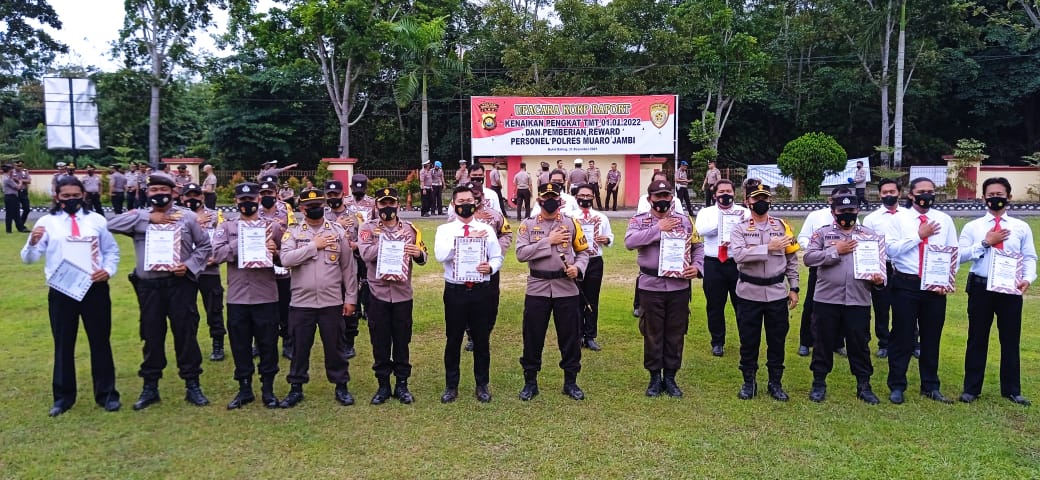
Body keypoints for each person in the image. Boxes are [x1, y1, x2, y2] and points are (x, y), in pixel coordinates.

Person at [108, 173, 213, 410]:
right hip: (149, 288)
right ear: (147, 193)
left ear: (173, 192)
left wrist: (188, 266)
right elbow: (110, 224)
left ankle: (192, 384)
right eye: (154, 190)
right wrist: (148, 218)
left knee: (185, 334)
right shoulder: (138, 217)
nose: (158, 194)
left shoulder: (187, 217)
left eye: (163, 189)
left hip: (179, 285)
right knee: (151, 335)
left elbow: (204, 246)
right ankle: (150, 387)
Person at [21, 176, 121, 416]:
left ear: (83, 195)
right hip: (62, 289)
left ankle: (107, 394)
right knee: (63, 343)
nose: (71, 199)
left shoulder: (96, 220)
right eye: (66, 196)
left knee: (100, 341)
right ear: (57, 196)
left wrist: (107, 271)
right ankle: (63, 397)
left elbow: (111, 251)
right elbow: (29, 259)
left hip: (94, 287)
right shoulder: (47, 222)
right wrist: (32, 243)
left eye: (76, 195)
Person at [957, 177, 1036, 406]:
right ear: (983, 197)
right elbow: (959, 256)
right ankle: (971, 389)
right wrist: (985, 242)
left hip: (1010, 289)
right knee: (977, 338)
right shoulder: (973, 227)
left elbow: (1029, 257)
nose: (995, 199)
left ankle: (1012, 390)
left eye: (999, 195)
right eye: (990, 195)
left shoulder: (1021, 227)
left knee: (1010, 339)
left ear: (1009, 197)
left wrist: (1027, 278)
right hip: (981, 287)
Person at [278, 188, 358, 408]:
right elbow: (286, 259)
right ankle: (296, 387)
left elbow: (348, 268)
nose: (315, 209)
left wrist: (351, 297)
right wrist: (314, 246)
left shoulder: (337, 231)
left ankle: (341, 386)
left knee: (335, 347)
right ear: (302, 209)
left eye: (318, 205)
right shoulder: (293, 232)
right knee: (299, 348)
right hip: (301, 302)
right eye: (310, 206)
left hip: (331, 301)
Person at [803, 193, 884, 404]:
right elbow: (808, 258)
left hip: (858, 299)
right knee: (822, 342)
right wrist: (835, 251)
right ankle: (819, 383)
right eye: (842, 211)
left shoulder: (869, 236)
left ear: (858, 211)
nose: (847, 214)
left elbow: (880, 269)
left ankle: (864, 385)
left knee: (860, 343)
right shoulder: (823, 234)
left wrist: (878, 280)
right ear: (833, 212)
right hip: (827, 299)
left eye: (851, 210)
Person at [884, 176, 959, 404]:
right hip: (906, 283)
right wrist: (919, 236)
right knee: (902, 336)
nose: (927, 195)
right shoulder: (899, 219)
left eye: (931, 191)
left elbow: (953, 252)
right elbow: (890, 250)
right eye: (921, 192)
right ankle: (897, 385)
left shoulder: (944, 220)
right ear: (911, 195)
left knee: (931, 336)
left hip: (935, 287)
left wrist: (946, 281)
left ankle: (931, 386)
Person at [625, 180, 703, 397]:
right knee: (652, 332)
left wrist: (698, 267)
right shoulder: (639, 221)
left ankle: (670, 377)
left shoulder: (685, 221)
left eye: (666, 196)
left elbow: (698, 247)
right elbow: (630, 242)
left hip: (679, 286)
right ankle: (654, 377)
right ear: (649, 199)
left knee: (676, 332)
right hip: (651, 285)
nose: (662, 200)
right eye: (658, 196)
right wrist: (657, 229)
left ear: (672, 198)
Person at [211, 182, 284, 409]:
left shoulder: (273, 227)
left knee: (268, 344)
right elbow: (217, 254)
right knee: (240, 345)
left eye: (251, 199)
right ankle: (244, 389)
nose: (247, 203)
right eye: (242, 200)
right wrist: (243, 239)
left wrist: (275, 252)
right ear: (236, 201)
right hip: (238, 297)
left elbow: (286, 258)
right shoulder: (227, 227)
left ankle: (268, 390)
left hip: (266, 295)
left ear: (258, 200)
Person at [515, 182, 591, 401]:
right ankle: (530, 382)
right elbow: (521, 254)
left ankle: (570, 382)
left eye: (554, 197)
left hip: (566, 288)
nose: (550, 201)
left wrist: (578, 268)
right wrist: (549, 241)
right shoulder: (528, 225)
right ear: (539, 200)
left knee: (570, 337)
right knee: (533, 336)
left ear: (560, 200)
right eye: (546, 197)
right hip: (537, 287)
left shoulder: (571, 223)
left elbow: (584, 252)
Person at [729, 180, 799, 401]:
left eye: (764, 198)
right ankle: (749, 382)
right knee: (748, 341)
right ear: (747, 202)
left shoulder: (782, 227)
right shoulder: (739, 228)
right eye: (756, 198)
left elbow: (791, 259)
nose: (761, 202)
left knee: (777, 341)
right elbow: (738, 255)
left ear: (770, 201)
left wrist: (794, 287)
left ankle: (775, 383)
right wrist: (767, 247)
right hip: (749, 293)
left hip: (777, 293)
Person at [357, 187, 428, 404]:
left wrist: (418, 253)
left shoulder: (410, 229)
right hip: (377, 294)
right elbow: (365, 254)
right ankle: (383, 385)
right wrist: (389, 242)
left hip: (402, 294)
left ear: (397, 204)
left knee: (402, 340)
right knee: (379, 341)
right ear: (376, 205)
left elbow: (423, 256)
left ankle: (402, 384)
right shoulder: (367, 228)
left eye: (391, 203)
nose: (387, 207)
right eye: (383, 203)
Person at [435, 185, 504, 403]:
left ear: (475, 203)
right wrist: (466, 240)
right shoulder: (445, 230)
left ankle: (482, 385)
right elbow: (440, 255)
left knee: (482, 339)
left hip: (481, 291)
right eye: (461, 202)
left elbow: (497, 257)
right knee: (453, 339)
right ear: (453, 204)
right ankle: (451, 386)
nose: (466, 205)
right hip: (455, 291)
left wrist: (490, 267)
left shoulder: (487, 229)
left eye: (469, 201)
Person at [448, 182, 512, 352]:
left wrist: (494, 253)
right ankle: (470, 336)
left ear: (481, 196)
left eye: (476, 196)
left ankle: (485, 333)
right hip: (464, 267)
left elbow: (506, 233)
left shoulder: (495, 215)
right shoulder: (455, 217)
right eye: (470, 196)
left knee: (491, 301)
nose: (472, 200)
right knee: (465, 303)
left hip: (488, 266)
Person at [795, 187, 853, 358]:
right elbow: (803, 237)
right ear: (830, 201)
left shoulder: (853, 218)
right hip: (820, 266)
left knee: (842, 305)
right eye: (838, 200)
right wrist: (819, 249)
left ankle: (838, 342)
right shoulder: (816, 216)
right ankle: (806, 342)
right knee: (811, 305)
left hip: (844, 268)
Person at [862, 178, 915, 359]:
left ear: (899, 193)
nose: (888, 195)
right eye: (885, 192)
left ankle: (912, 342)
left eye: (892, 192)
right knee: (881, 307)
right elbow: (867, 245)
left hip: (906, 267)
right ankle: (884, 343)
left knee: (908, 306)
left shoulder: (910, 215)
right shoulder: (871, 219)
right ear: (880, 194)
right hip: (882, 266)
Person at [694, 179, 748, 357]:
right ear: (715, 194)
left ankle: (746, 341)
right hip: (713, 263)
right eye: (721, 192)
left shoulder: (744, 212)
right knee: (715, 305)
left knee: (742, 304)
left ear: (734, 193)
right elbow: (700, 230)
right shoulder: (706, 212)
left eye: (728, 191)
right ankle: (717, 342)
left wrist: (737, 223)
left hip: (737, 263)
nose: (725, 195)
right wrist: (724, 222)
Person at [182, 182, 227, 361]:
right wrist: (193, 221)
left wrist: (217, 257)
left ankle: (218, 344)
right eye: (189, 195)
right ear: (182, 198)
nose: (193, 199)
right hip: (186, 270)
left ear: (202, 196)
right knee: (187, 310)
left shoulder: (215, 216)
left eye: (196, 195)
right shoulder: (177, 217)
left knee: (214, 308)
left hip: (209, 269)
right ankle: (190, 346)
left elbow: (223, 238)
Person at [257, 179, 296, 359]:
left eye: (269, 193)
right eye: (263, 193)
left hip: (281, 266)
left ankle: (288, 342)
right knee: (260, 309)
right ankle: (259, 344)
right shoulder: (253, 211)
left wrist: (278, 252)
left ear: (276, 193)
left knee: (285, 308)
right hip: (259, 269)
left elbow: (293, 235)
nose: (266, 196)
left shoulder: (286, 211)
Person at [339, 175, 376, 359]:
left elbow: (375, 224)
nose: (358, 191)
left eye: (362, 188)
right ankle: (357, 308)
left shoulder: (372, 203)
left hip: (365, 245)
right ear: (351, 187)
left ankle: (367, 308)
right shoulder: (345, 201)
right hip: (349, 246)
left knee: (366, 278)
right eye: (356, 188)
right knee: (352, 280)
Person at [574, 184, 614, 351]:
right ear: (576, 197)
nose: (585, 198)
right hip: (576, 261)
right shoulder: (570, 216)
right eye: (582, 195)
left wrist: (607, 239)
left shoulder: (601, 217)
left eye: (588, 195)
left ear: (593, 197)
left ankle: (590, 336)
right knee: (575, 299)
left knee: (592, 299)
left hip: (595, 261)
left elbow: (610, 236)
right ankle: (577, 335)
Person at [4, 164, 29, 233]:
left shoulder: (7, 177)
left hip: (11, 197)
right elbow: (18, 187)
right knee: (12, 214)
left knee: (14, 214)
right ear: (9, 170)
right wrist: (20, 182)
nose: (13, 170)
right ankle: (11, 230)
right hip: (11, 197)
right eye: (12, 169)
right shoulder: (8, 179)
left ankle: (18, 228)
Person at [14, 159, 31, 227]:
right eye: (18, 166)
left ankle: (21, 224)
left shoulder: (25, 171)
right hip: (15, 192)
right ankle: (19, 225)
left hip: (23, 192)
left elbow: (29, 181)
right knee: (16, 209)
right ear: (15, 165)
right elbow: (12, 179)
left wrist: (20, 180)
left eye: (21, 166)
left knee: (27, 209)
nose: (19, 167)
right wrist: (23, 180)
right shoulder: (12, 172)